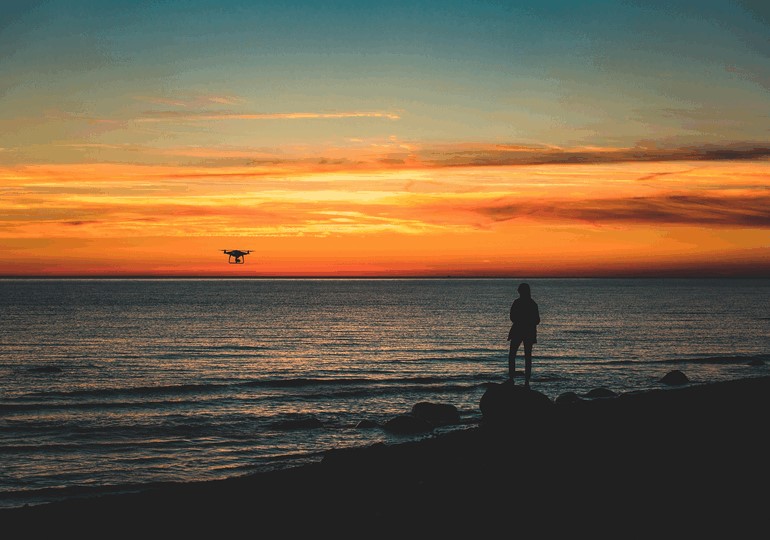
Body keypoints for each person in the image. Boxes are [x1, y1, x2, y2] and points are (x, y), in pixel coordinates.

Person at [507, 282, 540, 387]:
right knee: (527, 356)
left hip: (519, 331)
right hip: (528, 332)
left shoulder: (518, 303)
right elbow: (537, 320)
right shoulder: (532, 303)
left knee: (513, 355)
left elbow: (512, 317)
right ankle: (526, 380)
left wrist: (521, 321)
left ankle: (513, 379)